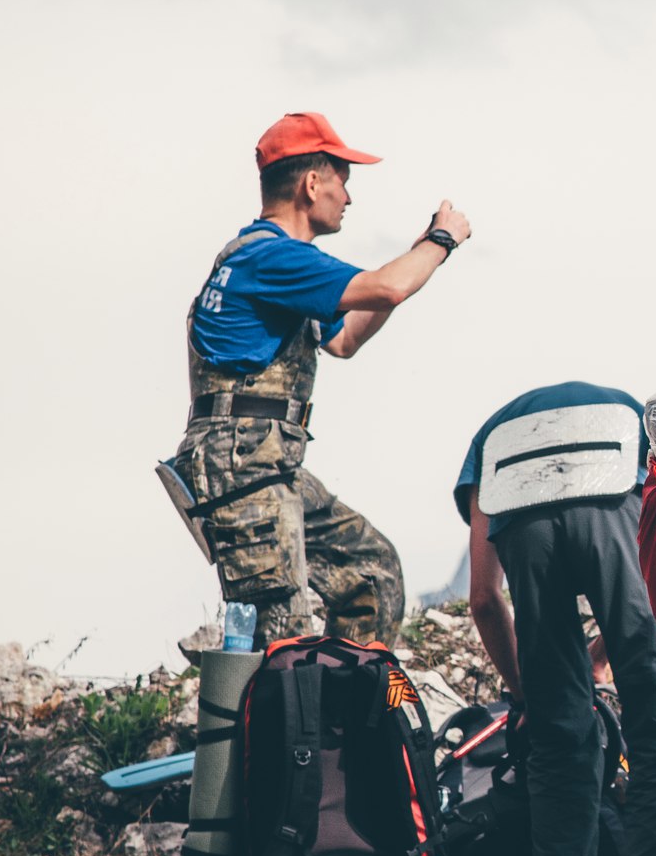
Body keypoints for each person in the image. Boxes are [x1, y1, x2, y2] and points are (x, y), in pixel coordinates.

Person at [169, 114, 466, 645]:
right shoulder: (272, 257)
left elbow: (346, 337)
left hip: (266, 467)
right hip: (244, 473)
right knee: (283, 636)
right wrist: (441, 241)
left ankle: (343, 715)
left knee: (371, 572)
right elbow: (388, 287)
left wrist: (422, 255)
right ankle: (289, 725)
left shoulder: (277, 265)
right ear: (311, 183)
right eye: (342, 179)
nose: (348, 197)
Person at [455, 381, 656, 856]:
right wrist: (612, 656)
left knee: (557, 738)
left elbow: (484, 600)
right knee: (655, 722)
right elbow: (654, 584)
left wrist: (529, 698)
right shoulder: (619, 412)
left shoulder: (490, 443)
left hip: (526, 525)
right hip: (617, 491)